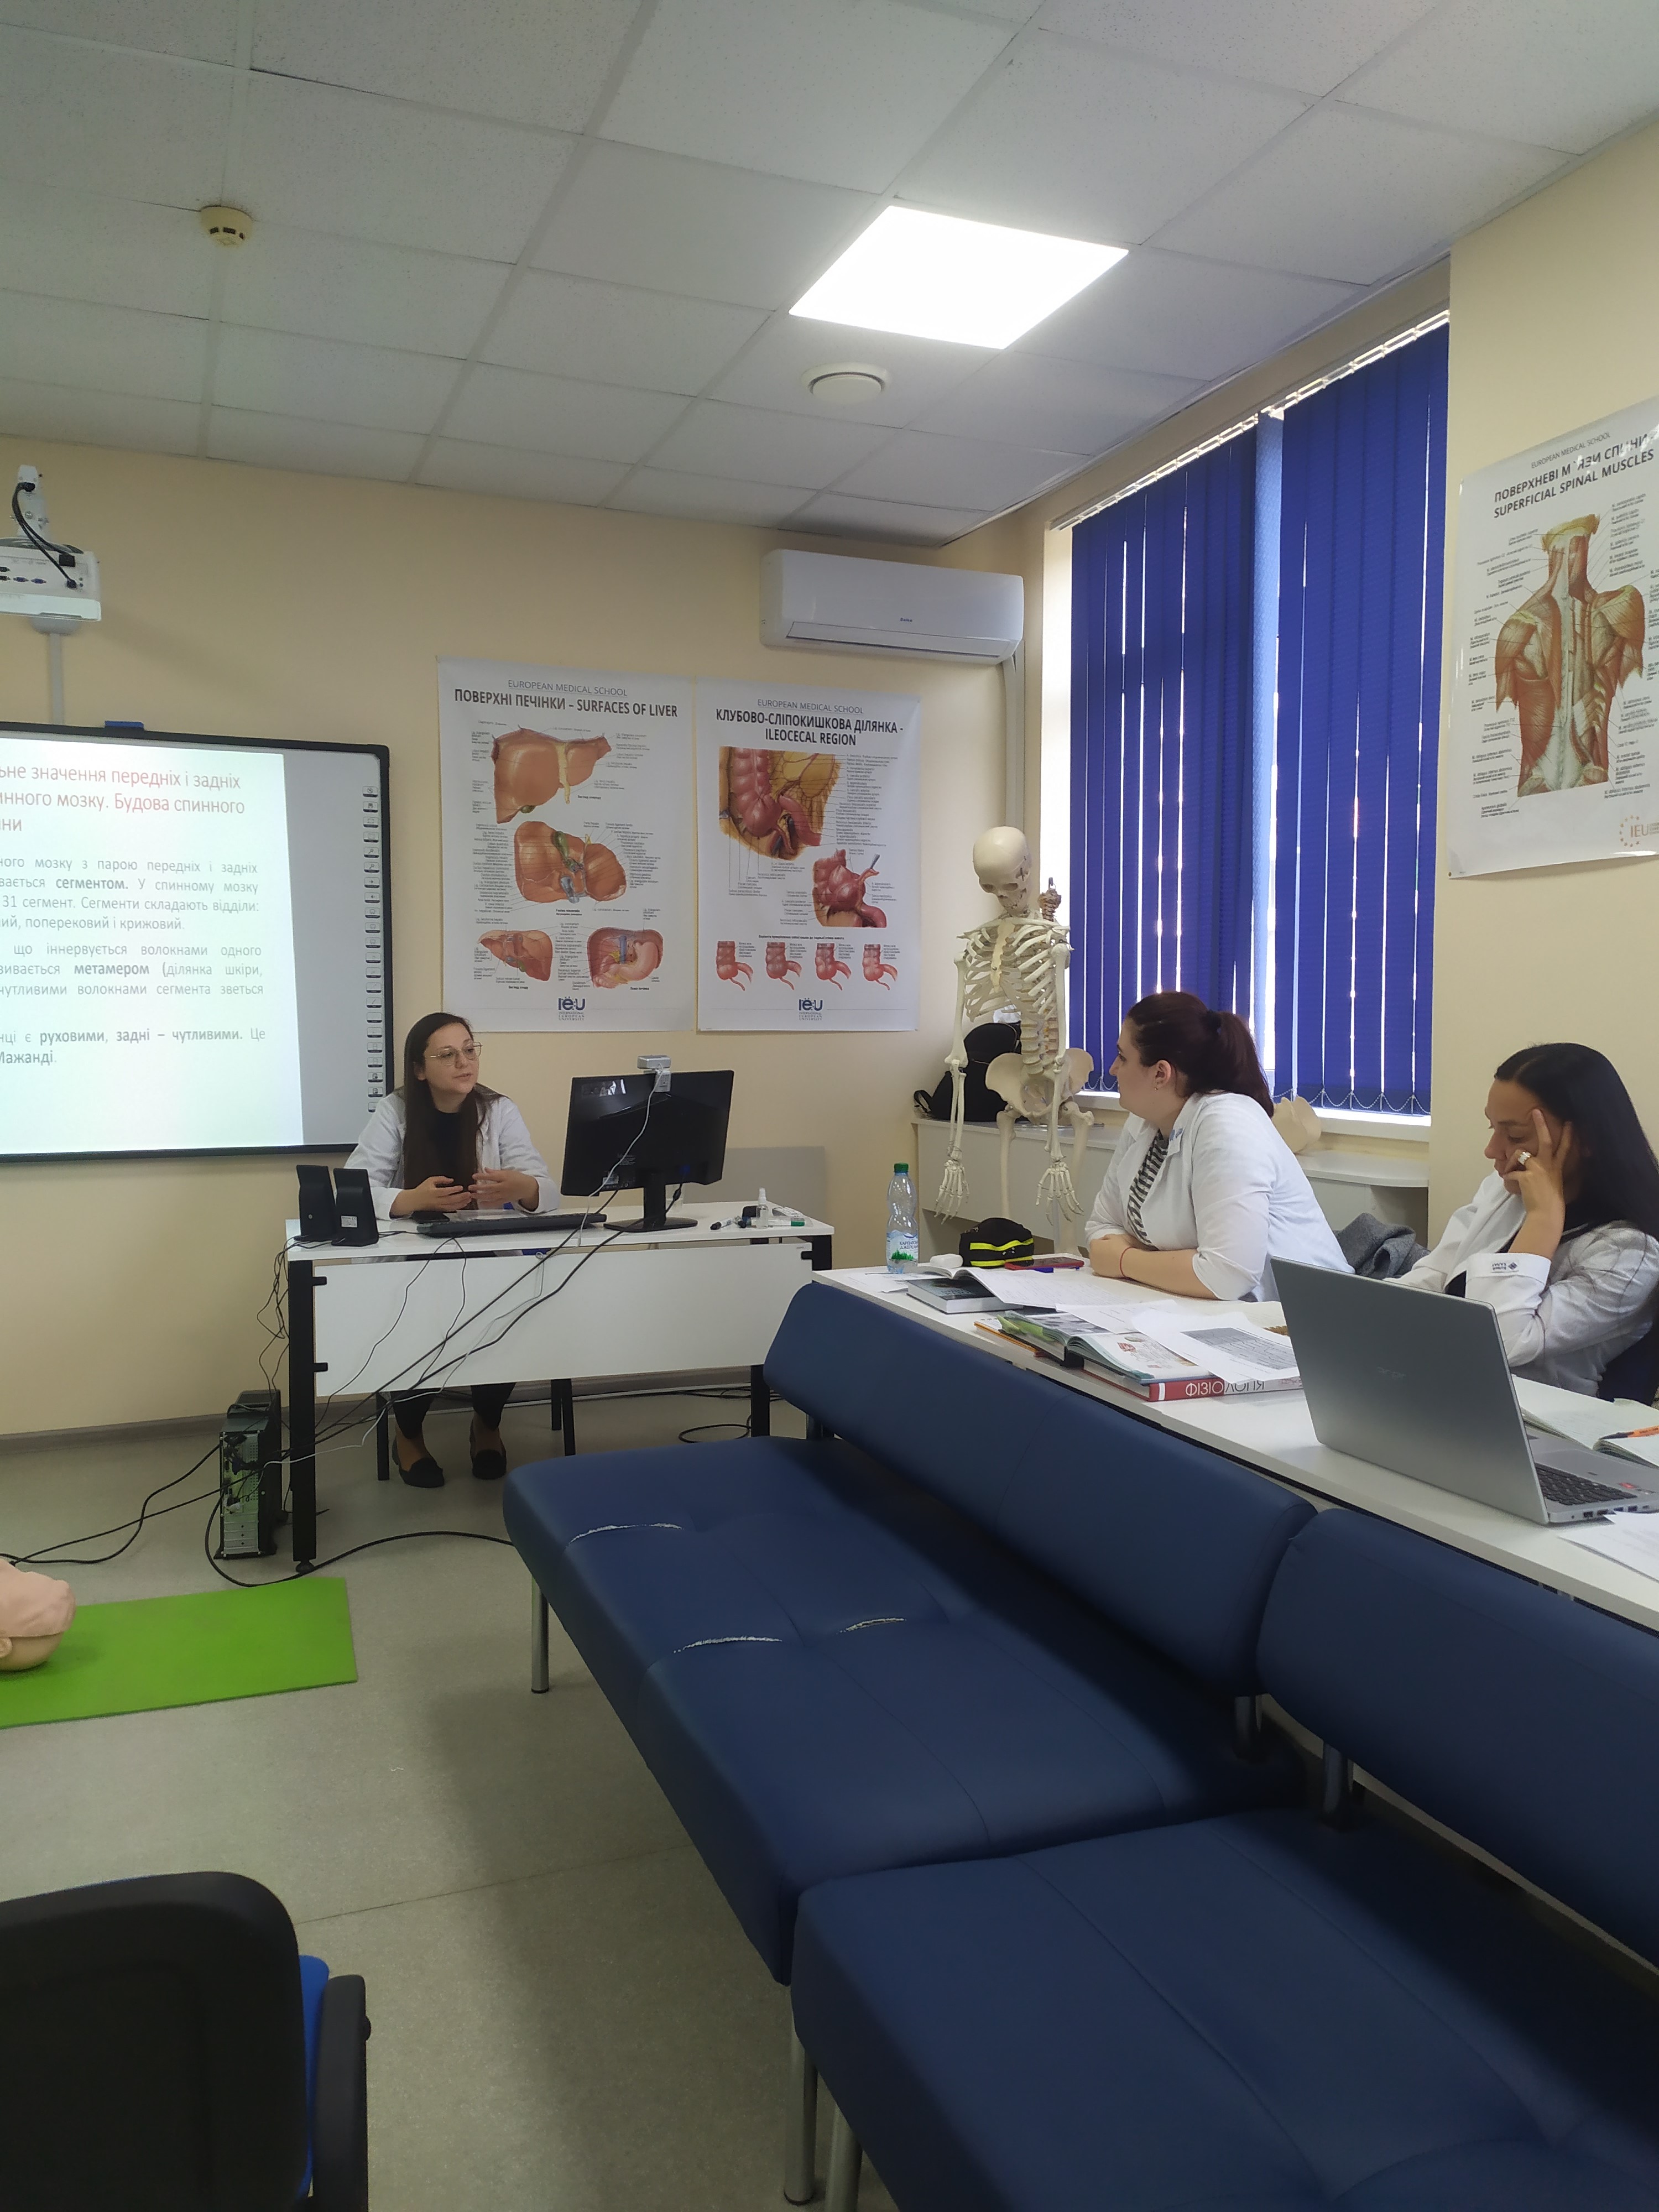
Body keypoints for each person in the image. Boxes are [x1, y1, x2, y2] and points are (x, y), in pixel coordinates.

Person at [346, 1011, 560, 1486]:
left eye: (469, 1050)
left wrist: (523, 1188)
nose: (464, 1062)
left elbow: (546, 1191)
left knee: (508, 1320)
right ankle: (408, 1434)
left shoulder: (498, 1109)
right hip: (414, 1259)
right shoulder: (396, 1111)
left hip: (489, 1254)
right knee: (413, 1330)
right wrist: (411, 1200)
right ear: (419, 1069)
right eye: (447, 1054)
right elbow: (355, 1189)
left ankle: (487, 1424)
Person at [1396, 1042, 1659, 1396]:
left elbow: (1500, 1343)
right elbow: (1437, 1275)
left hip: (1535, 1414)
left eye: (1515, 1136)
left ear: (1585, 1139)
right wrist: (1375, 1317)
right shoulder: (1503, 1189)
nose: (1492, 1150)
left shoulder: (1631, 1252)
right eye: (1492, 1128)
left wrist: (1543, 1219)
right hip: (1444, 1382)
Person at [1085, 990, 1347, 1301]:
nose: (1113, 1069)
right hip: (1202, 1307)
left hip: (1301, 1313)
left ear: (1160, 1074)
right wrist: (1181, 1263)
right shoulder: (1145, 1121)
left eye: (1123, 1057)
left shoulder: (1226, 1123)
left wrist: (1124, 1260)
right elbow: (1101, 1227)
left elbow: (1229, 1275)